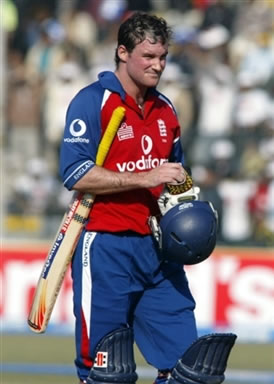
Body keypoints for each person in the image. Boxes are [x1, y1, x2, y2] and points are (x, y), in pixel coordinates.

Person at [59, 12, 235, 384]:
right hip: (105, 248)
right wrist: (144, 177)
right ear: (122, 52)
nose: (158, 66)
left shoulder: (166, 109)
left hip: (159, 255)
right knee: (106, 374)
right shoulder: (93, 102)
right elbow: (75, 173)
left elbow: (175, 176)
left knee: (192, 372)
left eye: (163, 57)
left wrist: (185, 203)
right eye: (148, 57)